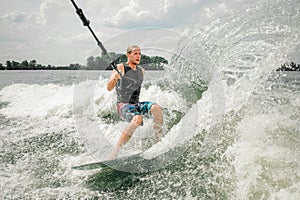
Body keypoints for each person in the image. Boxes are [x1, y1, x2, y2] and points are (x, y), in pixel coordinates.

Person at [107, 45, 163, 159]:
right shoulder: (120, 67)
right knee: (138, 119)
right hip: (123, 105)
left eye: (139, 54)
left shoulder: (142, 71)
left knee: (156, 108)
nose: (138, 56)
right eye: (135, 54)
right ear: (128, 55)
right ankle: (114, 153)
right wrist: (114, 78)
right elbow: (109, 87)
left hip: (136, 104)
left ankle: (158, 145)